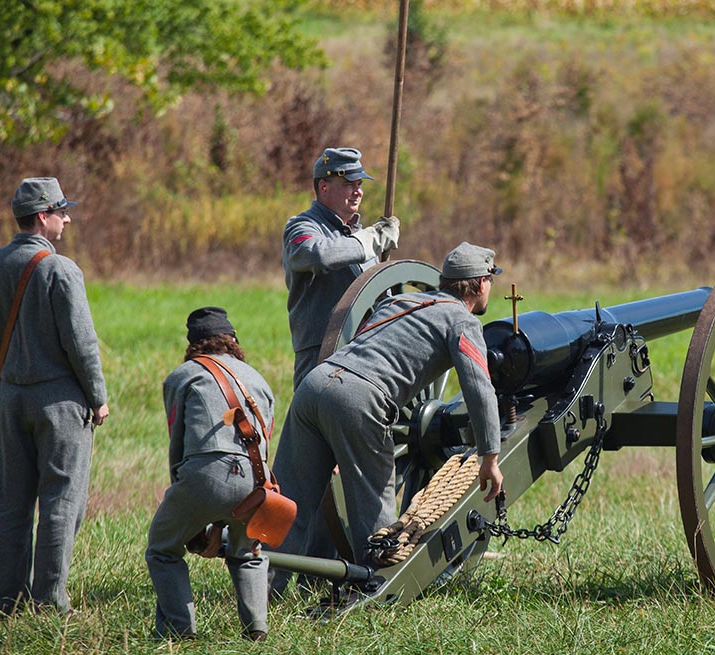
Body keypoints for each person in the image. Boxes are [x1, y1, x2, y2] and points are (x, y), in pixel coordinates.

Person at [270, 242, 505, 596]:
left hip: (315, 384)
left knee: (290, 503)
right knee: (375, 512)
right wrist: (489, 456)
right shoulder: (462, 321)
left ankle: (261, 591)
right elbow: (478, 387)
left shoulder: (399, 302)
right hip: (359, 398)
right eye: (490, 280)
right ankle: (379, 591)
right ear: (481, 283)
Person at [0, 177, 109, 617]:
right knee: (61, 503)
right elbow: (81, 343)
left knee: (11, 509)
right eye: (62, 211)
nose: (67, 219)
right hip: (61, 402)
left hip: (10, 400)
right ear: (43, 216)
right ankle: (49, 604)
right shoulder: (60, 269)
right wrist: (98, 396)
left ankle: (2, 603)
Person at [145, 307, 275, 640]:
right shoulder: (257, 378)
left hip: (203, 476)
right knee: (248, 552)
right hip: (256, 483)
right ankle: (257, 629)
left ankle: (179, 630)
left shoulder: (183, 376)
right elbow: (264, 443)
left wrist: (192, 515)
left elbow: (178, 447)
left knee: (162, 548)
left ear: (194, 344)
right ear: (233, 341)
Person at [283, 147, 401, 390]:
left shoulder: (360, 235)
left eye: (359, 184)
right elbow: (318, 255)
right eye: (349, 184)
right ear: (324, 186)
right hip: (321, 352)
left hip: (367, 352)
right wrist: (372, 240)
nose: (358, 191)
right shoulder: (303, 227)